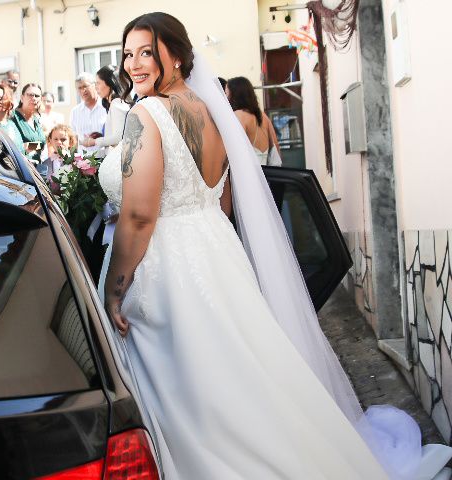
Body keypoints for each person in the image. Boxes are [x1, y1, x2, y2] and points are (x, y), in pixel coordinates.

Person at [97, 12, 447, 480]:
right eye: (127, 54)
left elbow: (140, 215)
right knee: (249, 374)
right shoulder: (215, 115)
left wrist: (116, 288)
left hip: (168, 266)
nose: (133, 64)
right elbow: (221, 202)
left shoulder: (147, 114)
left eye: (146, 52)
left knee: (199, 385)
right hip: (216, 251)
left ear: (176, 57)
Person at [226, 76, 281, 166]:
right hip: (266, 175)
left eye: (226, 93)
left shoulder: (238, 115)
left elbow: (234, 151)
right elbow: (276, 149)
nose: (225, 98)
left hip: (248, 176)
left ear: (235, 95)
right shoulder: (262, 115)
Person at [80, 65, 129, 154]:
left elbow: (119, 137)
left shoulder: (117, 103)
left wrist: (94, 141)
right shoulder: (113, 104)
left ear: (109, 83)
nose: (95, 87)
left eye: (98, 83)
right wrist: (99, 136)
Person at [69, 72, 107, 155]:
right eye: (80, 88)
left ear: (94, 85)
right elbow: (73, 139)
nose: (83, 90)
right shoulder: (75, 112)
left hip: (105, 157)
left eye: (85, 86)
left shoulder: (106, 107)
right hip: (83, 161)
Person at [11, 83, 46, 160]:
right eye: (30, 95)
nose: (34, 98)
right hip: (19, 167)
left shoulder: (36, 120)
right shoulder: (12, 117)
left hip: (36, 168)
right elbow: (11, 146)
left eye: (37, 96)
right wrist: (36, 145)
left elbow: (42, 145)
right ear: (22, 98)